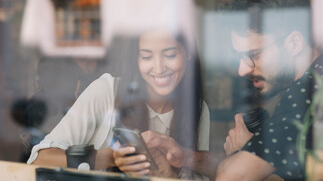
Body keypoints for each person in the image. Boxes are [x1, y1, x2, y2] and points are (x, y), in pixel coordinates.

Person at [215, 0, 323, 181]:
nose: (242, 70)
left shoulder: (306, 94)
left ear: (294, 43)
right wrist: (187, 157)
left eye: (254, 54)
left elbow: (230, 177)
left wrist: (241, 153)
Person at [27, 29, 210, 179]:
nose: (159, 67)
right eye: (146, 57)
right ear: (136, 60)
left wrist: (170, 174)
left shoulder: (197, 109)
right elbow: (40, 160)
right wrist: (112, 157)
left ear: (188, 54)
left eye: (170, 55)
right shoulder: (107, 91)